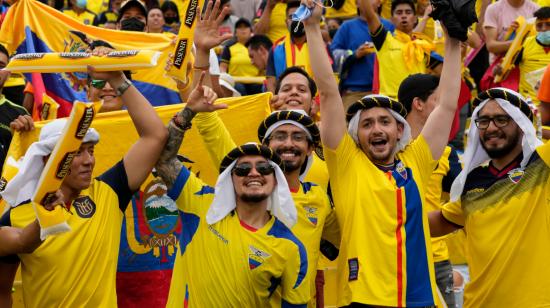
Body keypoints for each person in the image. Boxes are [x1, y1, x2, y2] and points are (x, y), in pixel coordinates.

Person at [302, 0, 462, 305]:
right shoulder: (346, 162)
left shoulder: (416, 159)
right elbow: (327, 91)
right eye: (367, 124)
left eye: (385, 122)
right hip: (364, 299)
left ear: (399, 130)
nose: (376, 129)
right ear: (356, 135)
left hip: (419, 298)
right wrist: (312, 26)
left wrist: (454, 40)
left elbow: (447, 104)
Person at [0, 58, 168, 307]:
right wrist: (45, 217)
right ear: (49, 158)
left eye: (91, 150)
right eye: (78, 152)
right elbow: (4, 290)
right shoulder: (16, 215)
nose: (89, 160)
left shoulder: (109, 192)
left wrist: (117, 79)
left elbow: (156, 135)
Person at [155, 75, 310, 306]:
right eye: (243, 168)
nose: (254, 173)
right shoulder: (202, 203)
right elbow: (163, 160)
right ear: (230, 178)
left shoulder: (291, 248)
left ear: (276, 179)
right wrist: (188, 112)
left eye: (264, 167)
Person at [428, 87, 550, 307]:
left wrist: (540, 127)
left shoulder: (543, 164)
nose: (491, 128)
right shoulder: (472, 181)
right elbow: (440, 221)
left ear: (521, 124)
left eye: (501, 119)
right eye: (483, 121)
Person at [398, 73, 462, 307]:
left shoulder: (446, 153)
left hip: (436, 258)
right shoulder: (386, 151)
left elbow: (463, 198)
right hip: (397, 257)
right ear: (418, 104)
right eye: (437, 100)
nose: (444, 108)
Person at [361, 0, 440, 98]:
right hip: (390, 106)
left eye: (408, 12)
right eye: (399, 13)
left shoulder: (422, 46)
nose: (403, 16)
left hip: (416, 106)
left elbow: (443, 73)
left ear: (415, 19)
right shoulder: (384, 40)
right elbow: (369, 14)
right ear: (391, 20)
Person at [330, 0, 395, 109]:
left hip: (384, 91)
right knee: (348, 126)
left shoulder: (389, 26)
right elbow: (333, 55)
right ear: (356, 3)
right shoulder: (347, 27)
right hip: (354, 92)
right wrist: (355, 54)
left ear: (379, 3)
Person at [0, 45, 30, 174]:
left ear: (9, 73)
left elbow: (28, 164)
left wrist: (21, 139)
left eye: (1, 66)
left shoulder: (20, 115)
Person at [220, 18, 261, 95]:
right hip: (236, 81)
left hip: (256, 81)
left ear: (251, 31)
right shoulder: (229, 47)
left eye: (245, 27)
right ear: (235, 32)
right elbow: (223, 67)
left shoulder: (257, 46)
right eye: (240, 27)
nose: (243, 30)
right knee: (239, 89)